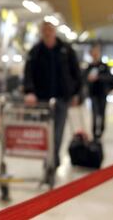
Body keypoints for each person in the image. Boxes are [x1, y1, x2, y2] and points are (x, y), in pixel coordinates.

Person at [23, 21, 82, 168]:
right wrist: (30, 92)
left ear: (54, 32)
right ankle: (48, 158)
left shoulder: (66, 50)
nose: (48, 33)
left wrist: (76, 93)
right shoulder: (36, 51)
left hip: (62, 98)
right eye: (45, 31)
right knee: (44, 131)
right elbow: (28, 73)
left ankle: (52, 159)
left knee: (57, 133)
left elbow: (76, 73)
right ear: (42, 33)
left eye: (50, 30)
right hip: (42, 99)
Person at [84, 45, 113, 140]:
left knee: (102, 114)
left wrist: (99, 78)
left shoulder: (104, 66)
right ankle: (94, 133)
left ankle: (101, 132)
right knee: (94, 114)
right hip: (93, 94)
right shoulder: (89, 67)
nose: (95, 55)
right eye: (93, 53)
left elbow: (112, 79)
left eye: (96, 53)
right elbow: (83, 79)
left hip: (102, 94)